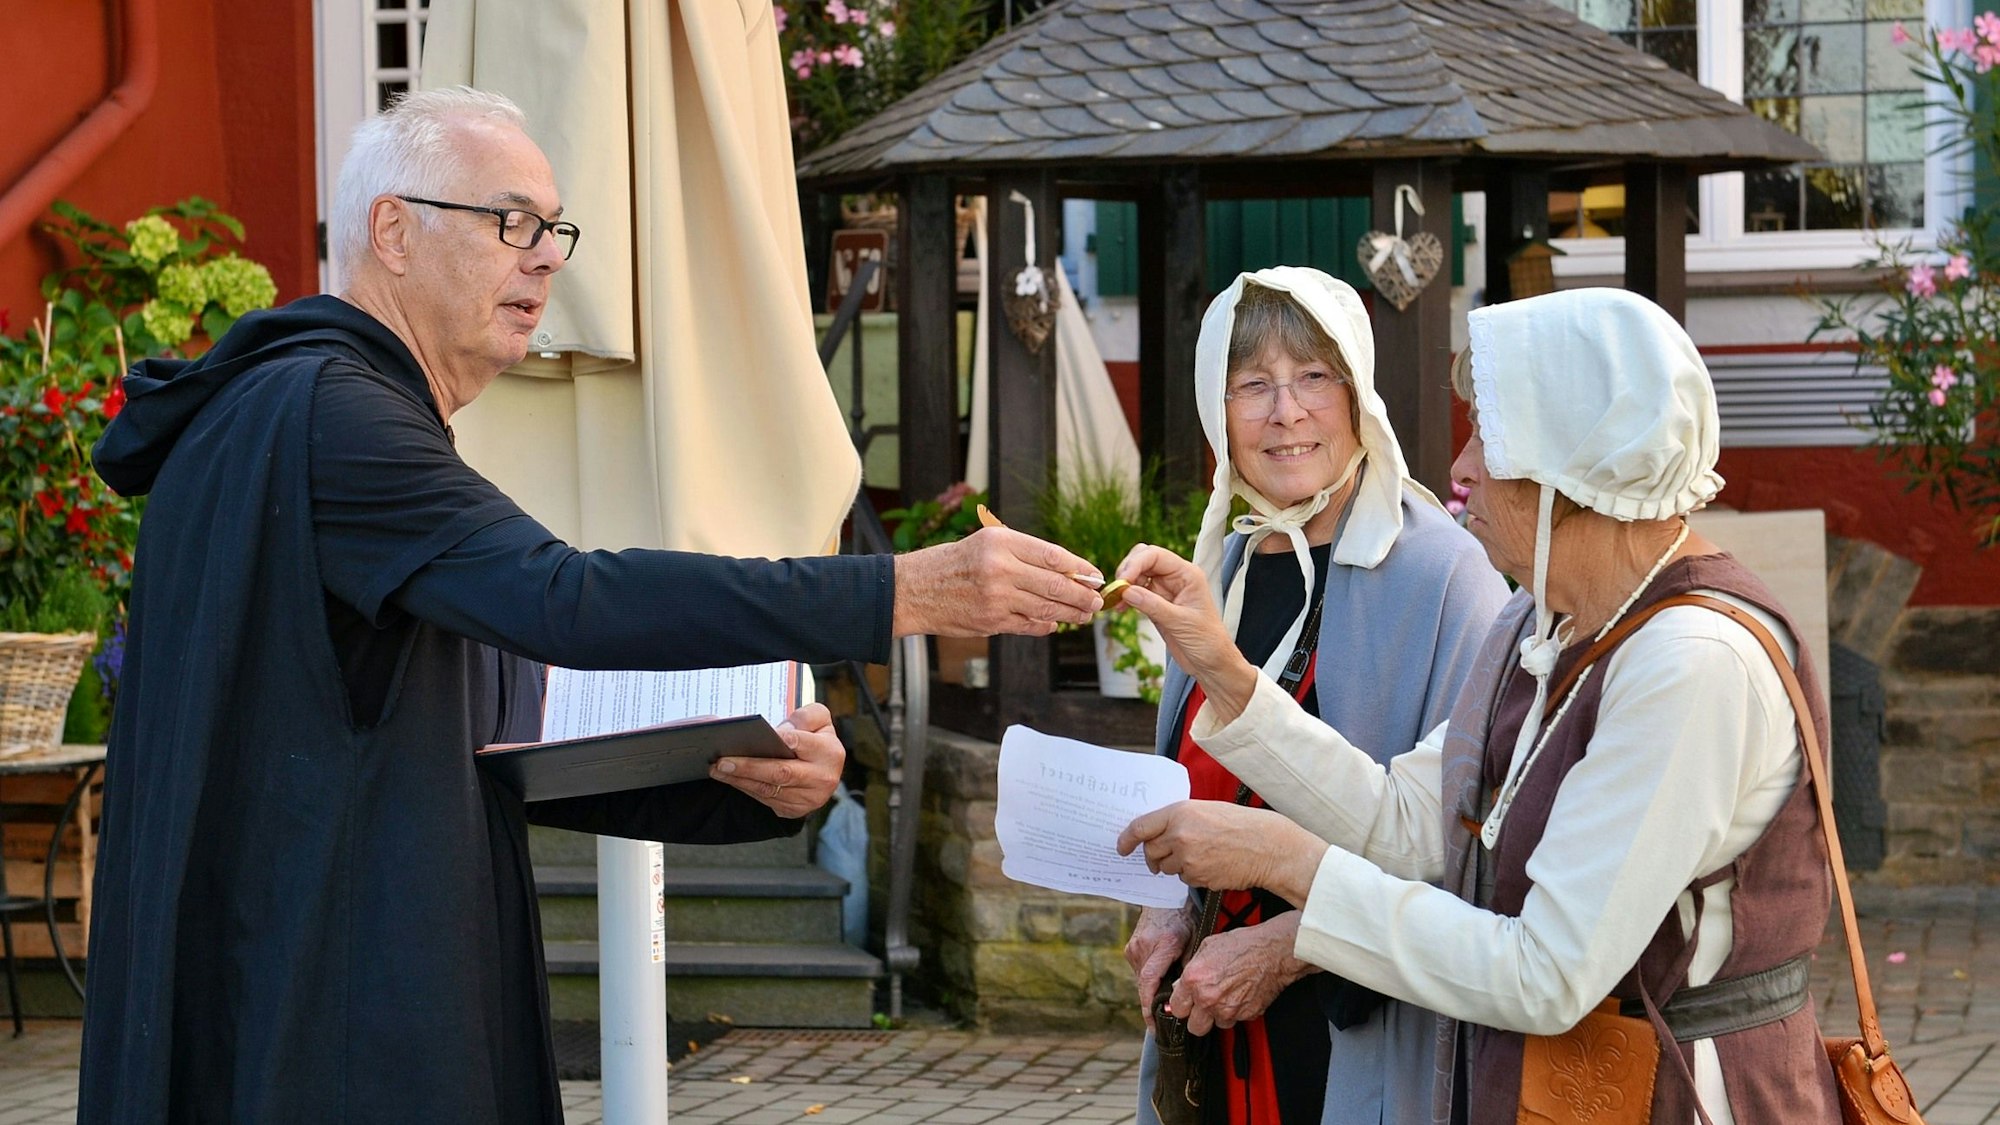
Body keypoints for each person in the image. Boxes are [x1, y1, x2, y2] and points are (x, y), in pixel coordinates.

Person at [78, 87, 1101, 1125]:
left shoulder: (292, 408)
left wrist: (741, 783)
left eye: (553, 230)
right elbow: (562, 597)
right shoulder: (335, 416)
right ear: (393, 229)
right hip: (337, 1025)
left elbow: (485, 739)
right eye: (510, 222)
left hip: (289, 995)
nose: (547, 257)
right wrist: (901, 588)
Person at [1116, 288, 1841, 1124]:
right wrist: (1227, 672)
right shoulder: (1539, 623)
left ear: (1574, 463)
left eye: (1486, 441)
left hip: (1690, 1097)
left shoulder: (1692, 662)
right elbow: (1410, 823)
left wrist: (1290, 864)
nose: (1457, 468)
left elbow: (1547, 972)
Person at [1127, 269, 1508, 1125]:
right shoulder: (1222, 566)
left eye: (1312, 378)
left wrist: (1282, 947)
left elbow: (1462, 842)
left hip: (1357, 1015)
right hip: (1215, 1006)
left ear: (1357, 394)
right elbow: (1183, 778)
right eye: (1252, 385)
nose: (1285, 412)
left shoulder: (1447, 575)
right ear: (1215, 412)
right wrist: (1163, 915)